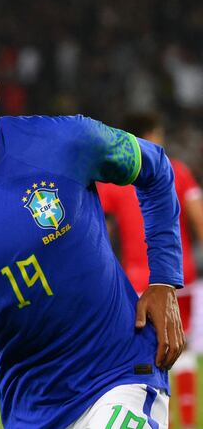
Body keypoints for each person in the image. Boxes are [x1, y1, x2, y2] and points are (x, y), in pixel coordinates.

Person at [0, 33, 184, 428]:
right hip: (32, 409)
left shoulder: (67, 141)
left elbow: (156, 169)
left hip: (121, 371)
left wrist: (164, 280)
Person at [98, 111, 203, 429]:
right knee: (181, 350)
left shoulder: (117, 180)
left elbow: (99, 229)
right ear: (152, 136)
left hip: (136, 282)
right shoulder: (177, 170)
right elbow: (198, 216)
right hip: (177, 276)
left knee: (150, 354)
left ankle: (160, 419)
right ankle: (184, 421)